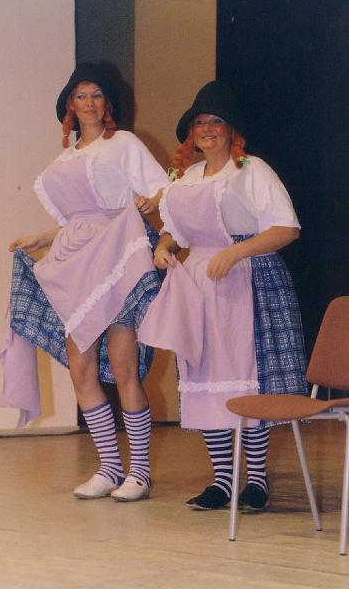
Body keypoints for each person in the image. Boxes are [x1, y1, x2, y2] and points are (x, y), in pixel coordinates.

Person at [1, 62, 168, 502]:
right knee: (81, 368)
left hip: (118, 257)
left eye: (96, 95)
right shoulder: (63, 160)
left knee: (125, 366)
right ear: (69, 106)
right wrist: (39, 238)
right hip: (76, 263)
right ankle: (110, 467)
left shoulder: (124, 144)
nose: (89, 102)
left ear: (107, 102)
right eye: (81, 96)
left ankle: (140, 472)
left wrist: (148, 204)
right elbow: (74, 222)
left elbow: (163, 189)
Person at [138, 80, 307, 510]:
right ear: (191, 132)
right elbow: (174, 232)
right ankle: (222, 480)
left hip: (247, 281)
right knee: (205, 379)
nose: (208, 129)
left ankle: (256, 480)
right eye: (201, 122)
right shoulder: (187, 178)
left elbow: (286, 228)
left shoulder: (252, 170)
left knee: (249, 377)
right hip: (199, 288)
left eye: (216, 121)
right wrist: (163, 247)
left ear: (232, 129)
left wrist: (235, 252)